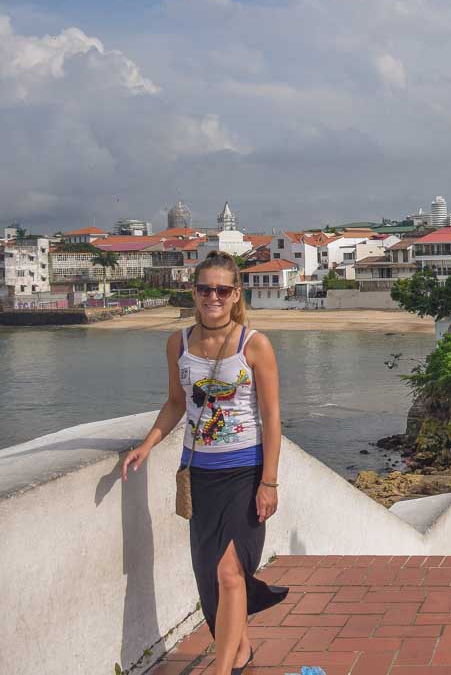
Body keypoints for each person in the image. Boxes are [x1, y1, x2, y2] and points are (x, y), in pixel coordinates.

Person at [123, 251, 288, 675]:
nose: (212, 296)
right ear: (194, 293)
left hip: (245, 473)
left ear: (235, 295)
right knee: (212, 582)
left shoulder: (255, 345)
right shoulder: (177, 343)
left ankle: (222, 670)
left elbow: (272, 417)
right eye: (204, 289)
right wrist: (149, 443)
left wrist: (269, 481)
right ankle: (241, 648)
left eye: (221, 289)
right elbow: (177, 403)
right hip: (200, 474)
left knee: (231, 573)